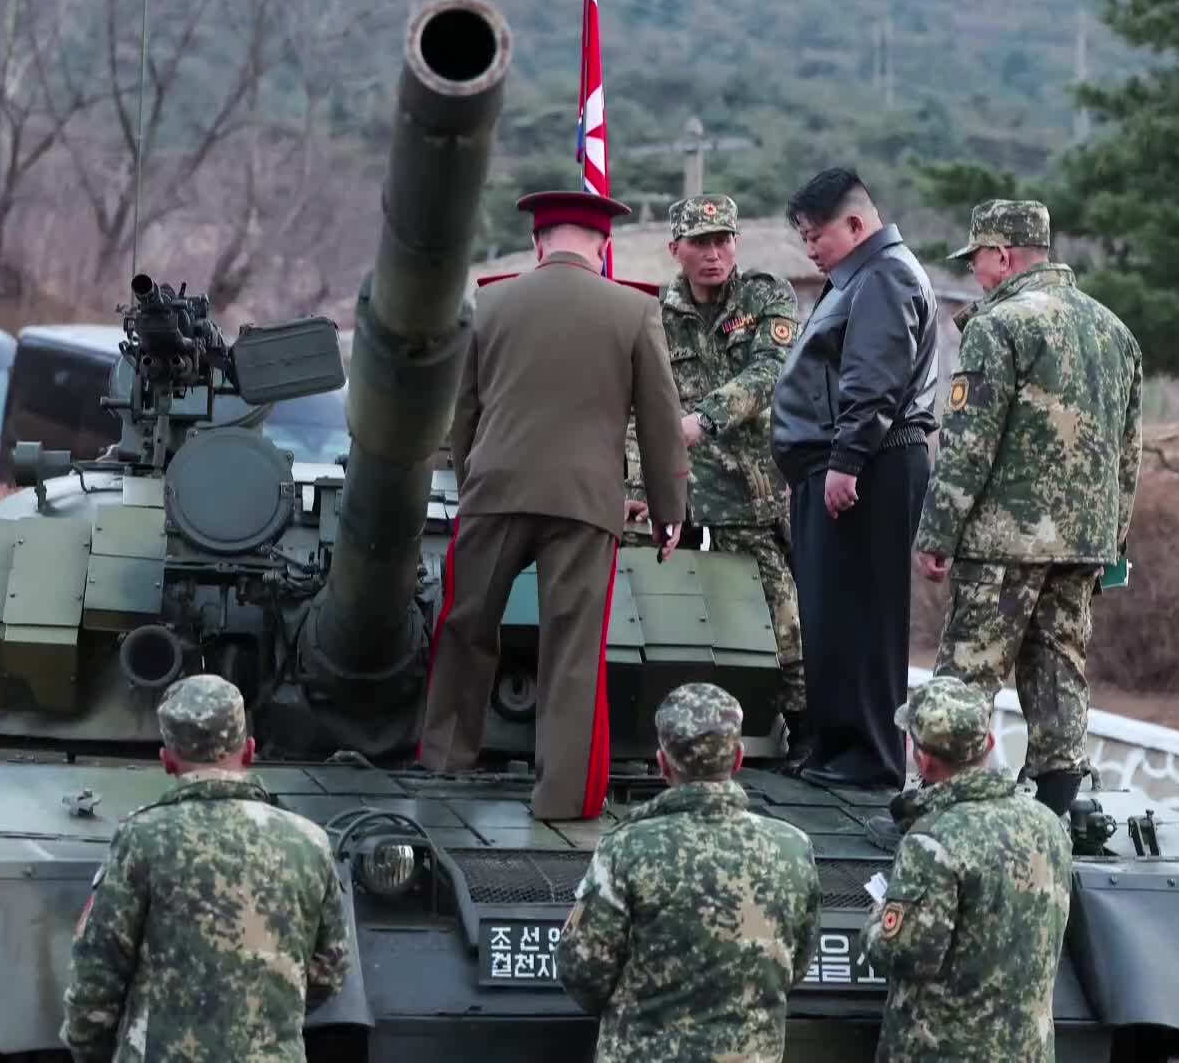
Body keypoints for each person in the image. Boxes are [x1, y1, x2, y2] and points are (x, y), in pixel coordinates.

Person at [421, 189, 690, 822]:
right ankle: (562, 796)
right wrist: (666, 504)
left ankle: (444, 759)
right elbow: (660, 418)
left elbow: (464, 411)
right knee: (571, 649)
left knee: (465, 626)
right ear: (601, 248)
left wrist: (473, 479)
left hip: (494, 491)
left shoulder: (490, 302)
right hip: (585, 502)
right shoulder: (633, 309)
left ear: (539, 243)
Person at [913, 199, 1143, 819]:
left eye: (979, 260)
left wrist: (938, 531)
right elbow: (1129, 452)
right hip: (1084, 544)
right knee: (1060, 668)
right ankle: (1054, 807)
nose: (977, 273)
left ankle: (941, 803)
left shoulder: (998, 326)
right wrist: (1112, 543)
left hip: (1003, 541)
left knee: (969, 670)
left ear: (1002, 256)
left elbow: (968, 444)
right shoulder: (1113, 331)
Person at [60, 674, 351, 1063]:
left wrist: (91, 1051)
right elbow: (329, 972)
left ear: (167, 760)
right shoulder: (309, 842)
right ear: (248, 750)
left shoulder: (143, 838)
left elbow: (97, 978)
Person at [623, 193, 810, 757]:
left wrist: (703, 419)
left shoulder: (765, 296)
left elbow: (767, 373)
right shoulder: (654, 314)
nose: (714, 252)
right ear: (675, 248)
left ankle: (801, 732)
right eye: (701, 242)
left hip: (752, 495)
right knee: (667, 618)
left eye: (724, 239)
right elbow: (638, 409)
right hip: (678, 498)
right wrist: (638, 486)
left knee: (783, 623)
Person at [771, 166, 940, 788]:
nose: (810, 248)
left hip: (871, 464)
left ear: (855, 222)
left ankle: (868, 758)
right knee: (831, 613)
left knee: (862, 617)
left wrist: (844, 463)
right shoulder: (856, 277)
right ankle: (838, 749)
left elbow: (873, 381)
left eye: (816, 235)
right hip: (840, 465)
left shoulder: (885, 274)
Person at [555, 682, 821, 1062]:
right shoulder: (793, 847)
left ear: (662, 764)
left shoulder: (626, 848)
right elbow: (795, 964)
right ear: (739, 759)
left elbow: (582, 972)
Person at [862, 675, 1070, 1063]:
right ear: (989, 743)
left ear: (922, 759)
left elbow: (905, 956)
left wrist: (877, 920)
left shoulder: (932, 842)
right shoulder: (1049, 825)